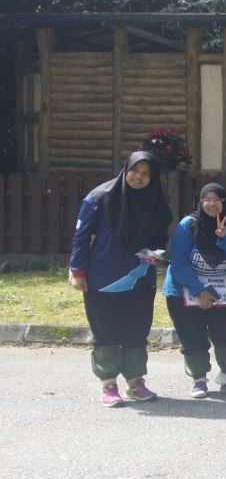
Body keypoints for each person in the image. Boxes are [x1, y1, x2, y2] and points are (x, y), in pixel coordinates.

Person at [68, 151, 173, 407]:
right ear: (126, 169)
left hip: (140, 278)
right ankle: (108, 385)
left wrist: (158, 255)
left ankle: (135, 382)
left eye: (146, 174)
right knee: (105, 330)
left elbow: (161, 237)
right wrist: (77, 271)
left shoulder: (156, 201)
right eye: (135, 170)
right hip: (103, 277)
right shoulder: (99, 198)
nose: (139, 177)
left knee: (137, 329)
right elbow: (81, 237)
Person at [163, 183, 226, 398]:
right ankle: (199, 380)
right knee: (193, 336)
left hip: (219, 292)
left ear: (225, 202)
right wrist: (199, 292)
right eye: (207, 199)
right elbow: (178, 263)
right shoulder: (188, 225)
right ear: (200, 202)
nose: (212, 204)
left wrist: (225, 239)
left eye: (217, 199)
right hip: (183, 290)